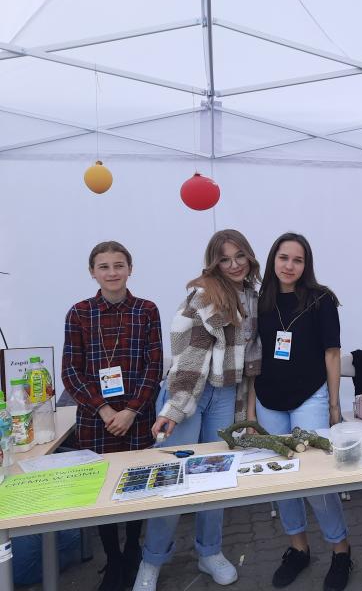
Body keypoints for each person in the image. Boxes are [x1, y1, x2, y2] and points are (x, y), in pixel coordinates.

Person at [133, 230, 262, 591]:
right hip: (192, 392)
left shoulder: (254, 296)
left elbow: (252, 357)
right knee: (172, 478)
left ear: (249, 256)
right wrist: (175, 408)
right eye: (225, 259)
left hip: (227, 395)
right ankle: (152, 560)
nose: (234, 265)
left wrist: (248, 411)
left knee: (216, 477)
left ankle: (209, 552)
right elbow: (190, 358)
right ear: (214, 263)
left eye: (240, 256)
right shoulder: (204, 295)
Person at [252, 232, 353, 591]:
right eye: (283, 258)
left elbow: (332, 354)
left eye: (298, 260)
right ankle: (298, 549)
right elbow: (253, 357)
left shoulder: (321, 299)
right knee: (282, 480)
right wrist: (250, 411)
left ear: (306, 264)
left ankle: (340, 551)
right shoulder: (260, 299)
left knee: (315, 480)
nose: (289, 266)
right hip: (269, 400)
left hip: (310, 397)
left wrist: (334, 406)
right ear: (273, 260)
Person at [62, 241, 163, 591]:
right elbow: (71, 372)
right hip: (96, 419)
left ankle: (133, 550)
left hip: (137, 416)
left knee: (137, 486)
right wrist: (105, 410)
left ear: (130, 269)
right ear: (92, 272)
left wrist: (131, 410)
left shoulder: (146, 310)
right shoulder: (79, 313)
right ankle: (113, 559)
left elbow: (154, 366)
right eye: (103, 266)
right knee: (102, 492)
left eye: (119, 265)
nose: (112, 272)